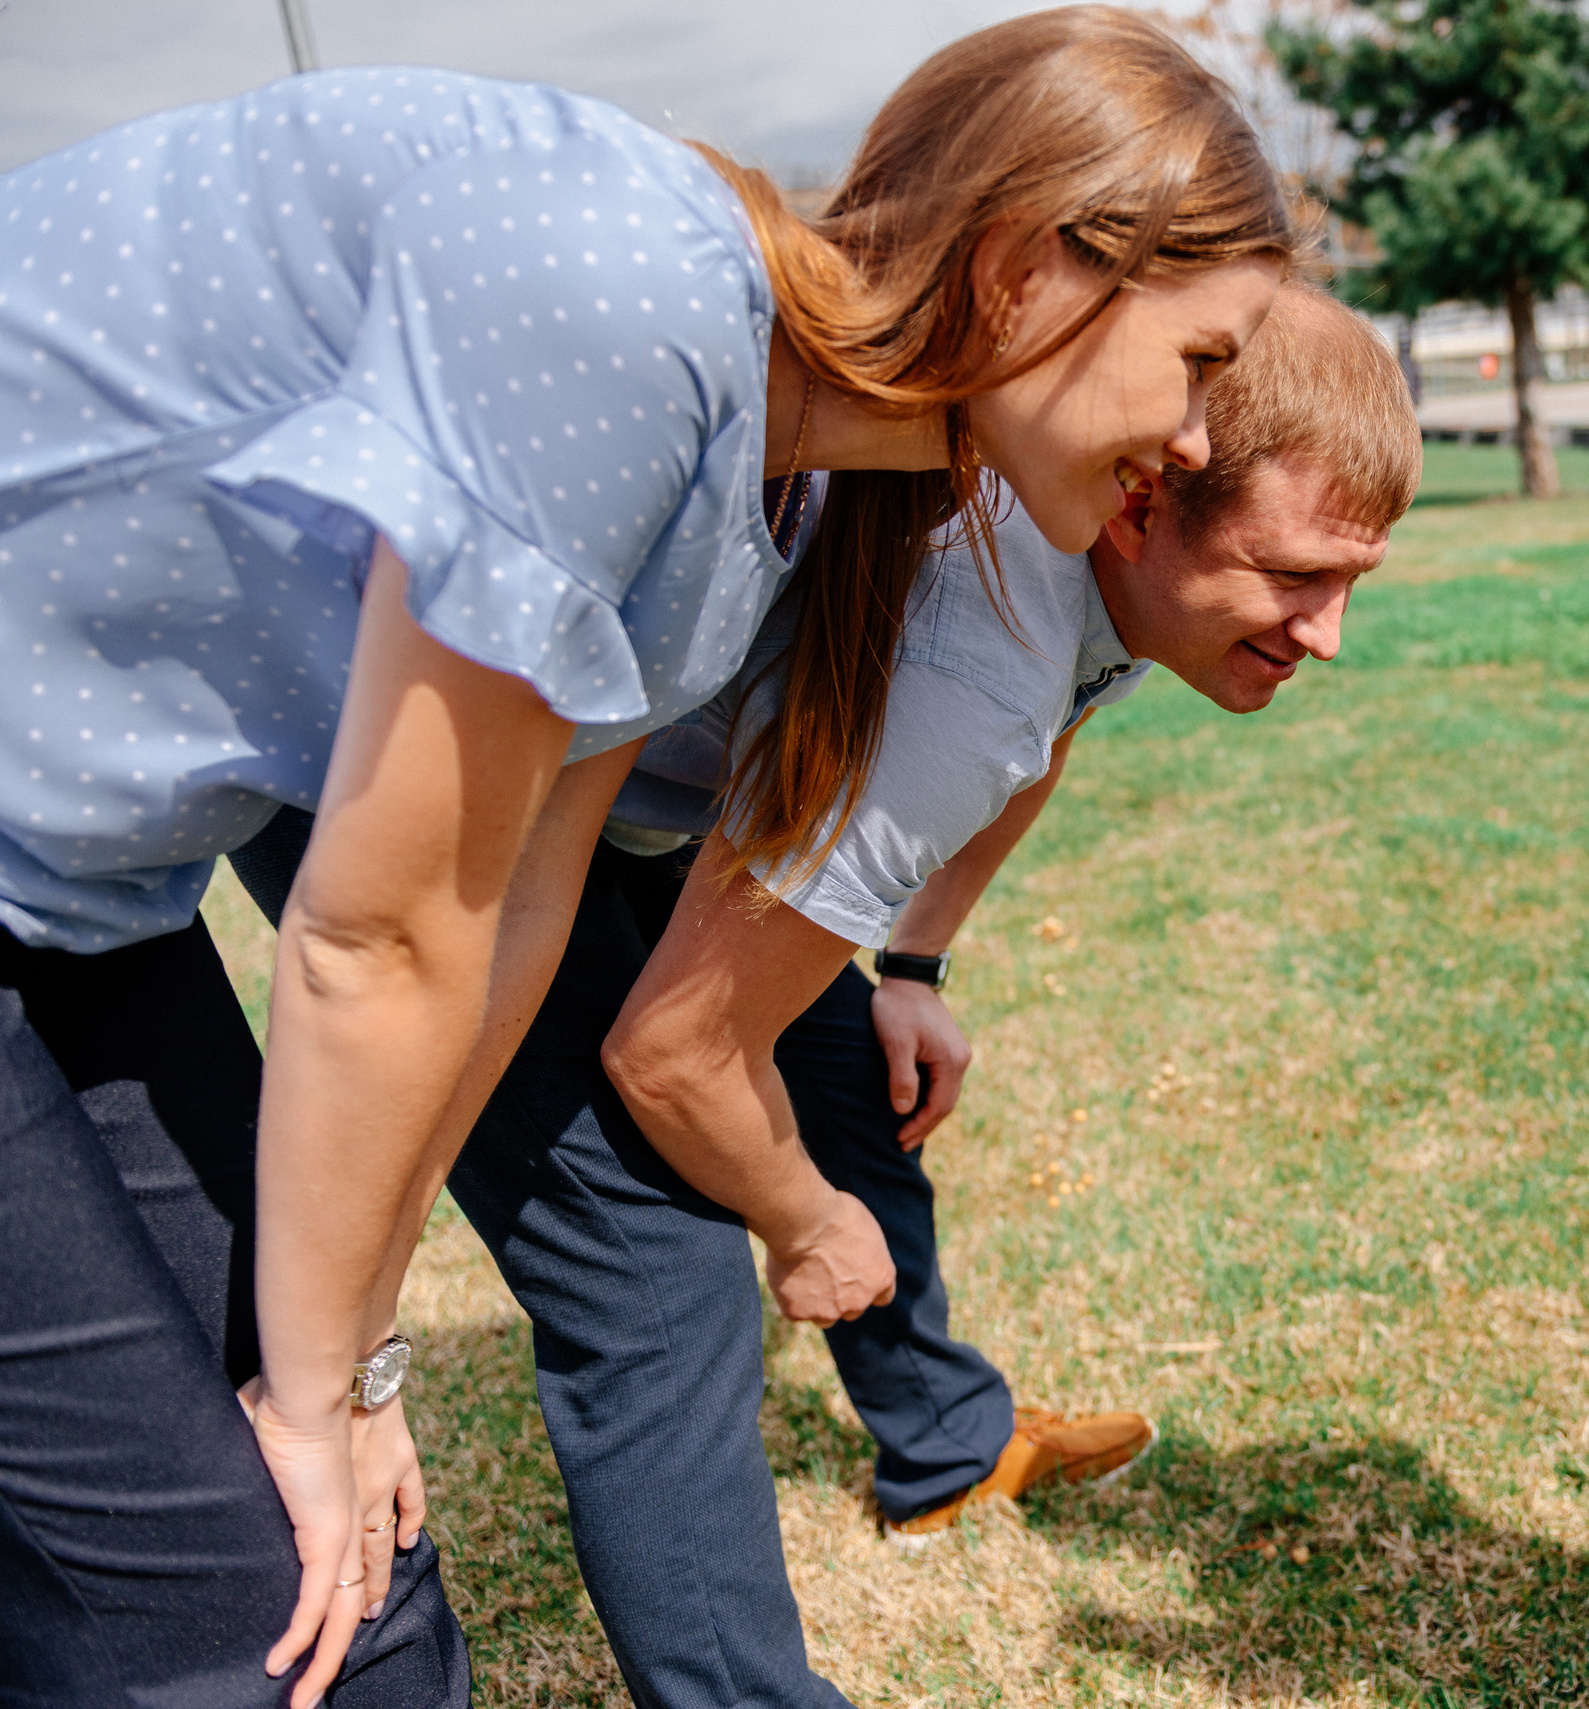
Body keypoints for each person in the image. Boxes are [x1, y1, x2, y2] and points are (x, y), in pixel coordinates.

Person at [0, 11, 1290, 1703]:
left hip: (77, 902)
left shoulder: (753, 477)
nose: (1199, 438)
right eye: (1201, 358)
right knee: (238, 1628)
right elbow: (382, 936)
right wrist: (316, 1389)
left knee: (346, 1621)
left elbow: (518, 915)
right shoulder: (637, 305)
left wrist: (358, 1353)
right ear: (1040, 265)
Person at [325, 282, 1413, 1704]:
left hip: (646, 810)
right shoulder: (976, 664)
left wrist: (913, 963)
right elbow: (672, 1053)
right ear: (1145, 503)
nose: (1326, 634)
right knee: (653, 1267)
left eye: (1352, 582)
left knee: (846, 1068)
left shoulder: (1106, 556)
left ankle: (946, 1447)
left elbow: (1050, 744)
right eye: (1292, 577)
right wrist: (802, 1218)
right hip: (429, 771)